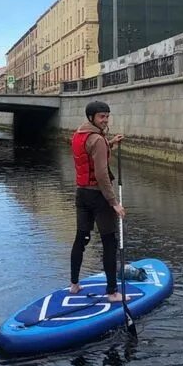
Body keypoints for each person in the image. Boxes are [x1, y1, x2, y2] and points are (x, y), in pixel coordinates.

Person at [70, 100, 126, 302]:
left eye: (107, 116)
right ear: (91, 117)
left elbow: (90, 155)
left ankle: (74, 284)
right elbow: (102, 174)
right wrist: (114, 203)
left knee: (81, 238)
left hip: (81, 194)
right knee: (109, 242)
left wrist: (110, 143)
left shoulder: (79, 135)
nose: (105, 120)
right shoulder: (98, 140)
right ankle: (112, 292)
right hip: (99, 197)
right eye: (102, 116)